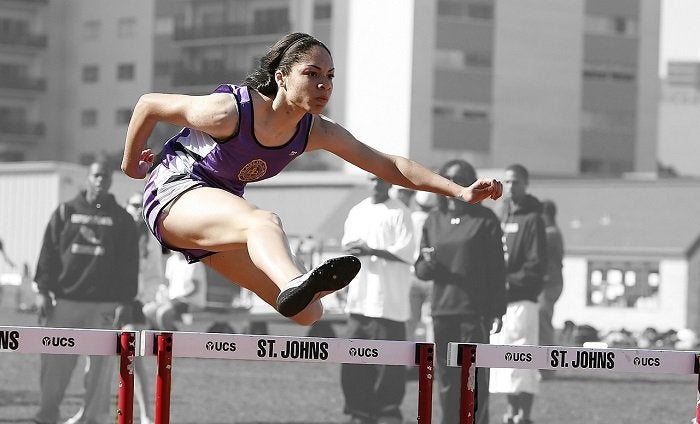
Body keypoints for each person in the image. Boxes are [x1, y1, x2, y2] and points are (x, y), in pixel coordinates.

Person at [120, 32, 503, 327]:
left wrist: (458, 190)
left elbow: (388, 165)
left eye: (330, 77)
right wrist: (130, 166)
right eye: (313, 74)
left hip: (216, 211)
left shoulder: (316, 131)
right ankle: (295, 280)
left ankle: (298, 288)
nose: (324, 86)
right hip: (175, 191)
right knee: (263, 222)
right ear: (282, 76)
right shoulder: (229, 111)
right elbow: (148, 105)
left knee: (309, 314)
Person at [33, 160, 139, 424]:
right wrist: (43, 291)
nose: (100, 180)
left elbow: (129, 264)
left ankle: (92, 418)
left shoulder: (122, 219)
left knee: (100, 369)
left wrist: (126, 301)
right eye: (96, 176)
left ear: (111, 180)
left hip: (105, 305)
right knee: (54, 364)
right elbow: (48, 254)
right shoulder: (65, 212)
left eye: (105, 176)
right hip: (66, 301)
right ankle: (47, 414)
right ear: (87, 179)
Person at [414, 159, 507, 424]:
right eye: (451, 178)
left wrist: (497, 309)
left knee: (475, 379)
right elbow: (420, 269)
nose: (456, 182)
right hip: (442, 311)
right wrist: (428, 263)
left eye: (462, 177)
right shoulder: (433, 219)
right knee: (445, 377)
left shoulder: (485, 219)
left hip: (474, 312)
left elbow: (497, 268)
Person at [340, 175, 416, 424]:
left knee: (389, 364)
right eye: (373, 178)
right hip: (359, 300)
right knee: (353, 358)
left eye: (383, 179)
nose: (378, 183)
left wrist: (371, 250)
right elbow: (347, 246)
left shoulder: (400, 212)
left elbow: (406, 253)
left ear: (390, 183)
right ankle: (358, 410)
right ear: (368, 181)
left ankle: (386, 411)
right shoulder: (357, 210)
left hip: (388, 303)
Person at [489, 163, 547, 424]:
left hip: (522, 301)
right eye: (507, 182)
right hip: (499, 303)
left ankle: (525, 413)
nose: (511, 187)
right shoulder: (499, 215)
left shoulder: (534, 219)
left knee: (523, 358)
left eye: (516, 182)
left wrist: (510, 283)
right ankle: (511, 411)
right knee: (502, 361)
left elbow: (536, 265)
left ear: (526, 184)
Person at [114, 192, 166, 424]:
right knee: (98, 358)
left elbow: (156, 275)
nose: (138, 209)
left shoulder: (151, 240)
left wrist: (142, 301)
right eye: (134, 204)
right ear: (126, 206)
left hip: (134, 304)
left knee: (134, 358)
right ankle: (91, 412)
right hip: (107, 300)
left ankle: (145, 414)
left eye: (142, 206)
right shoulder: (115, 231)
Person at [143, 250, 206, 331]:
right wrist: (163, 294)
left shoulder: (195, 263)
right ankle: (159, 334)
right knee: (148, 310)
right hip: (172, 301)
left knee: (164, 313)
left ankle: (170, 338)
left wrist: (179, 298)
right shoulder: (171, 261)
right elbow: (169, 284)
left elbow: (196, 289)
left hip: (191, 302)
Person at [406, 190, 438, 343]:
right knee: (431, 322)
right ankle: (431, 362)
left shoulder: (410, 219)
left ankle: (406, 363)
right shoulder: (436, 221)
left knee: (410, 322)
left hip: (411, 275)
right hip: (430, 275)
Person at [537, 199, 564, 380]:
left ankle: (546, 368)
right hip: (550, 284)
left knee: (543, 321)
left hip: (549, 284)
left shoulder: (550, 234)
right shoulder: (553, 232)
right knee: (542, 322)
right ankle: (543, 365)